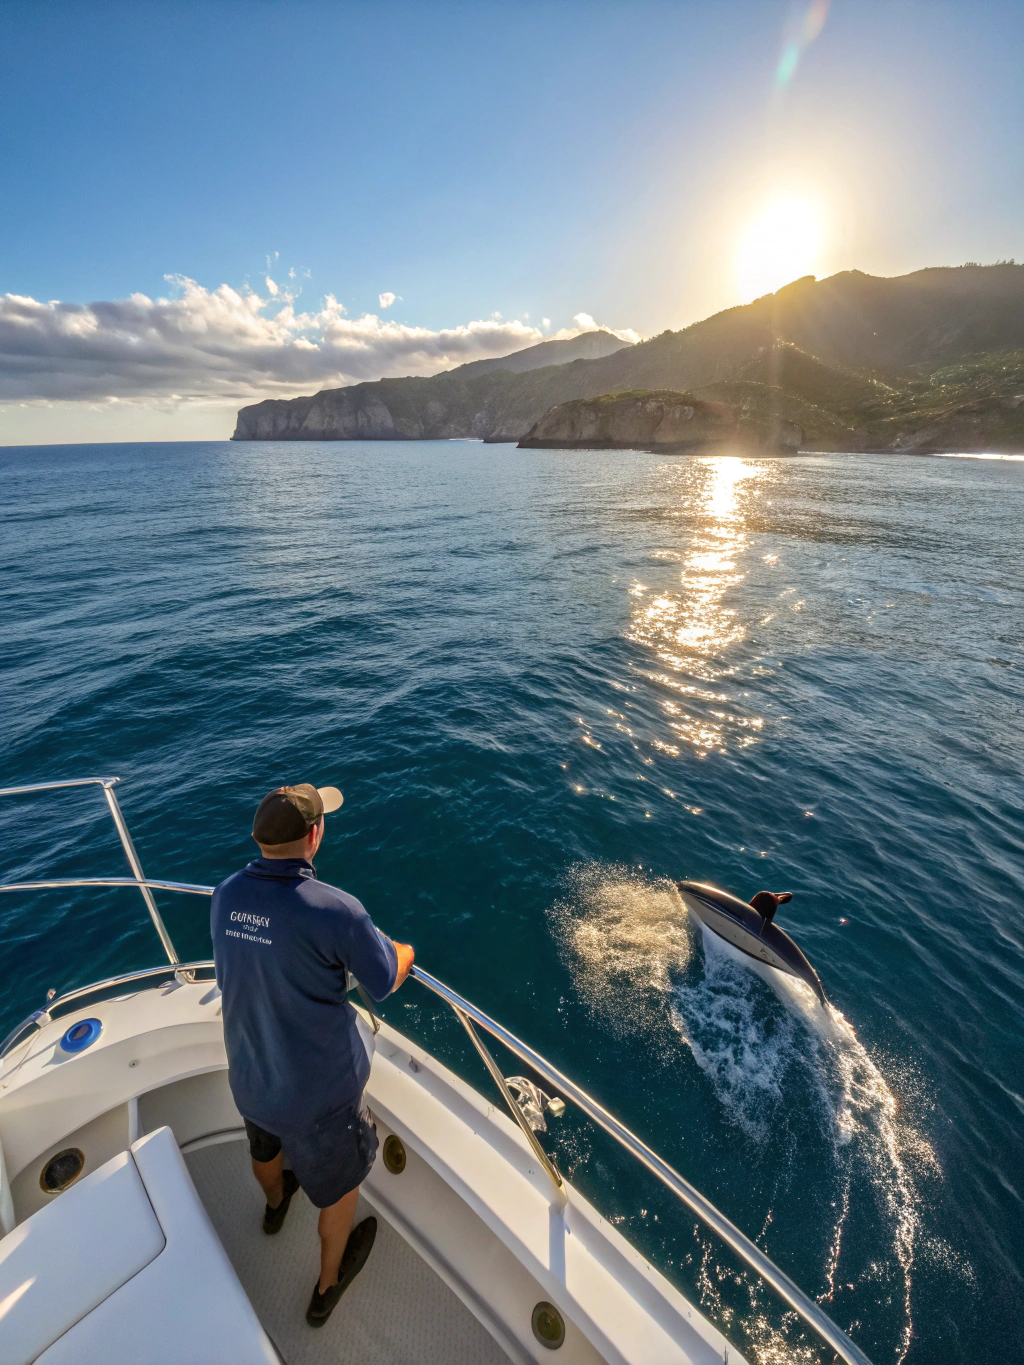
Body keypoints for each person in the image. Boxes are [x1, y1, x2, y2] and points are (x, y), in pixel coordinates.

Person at [211, 782, 415, 1328]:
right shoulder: (338, 911)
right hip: (318, 1100)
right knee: (341, 1188)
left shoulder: (226, 894)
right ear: (315, 835)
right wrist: (405, 952)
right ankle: (327, 1286)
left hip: (251, 1076)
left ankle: (276, 1205)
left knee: (264, 1145)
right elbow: (382, 981)